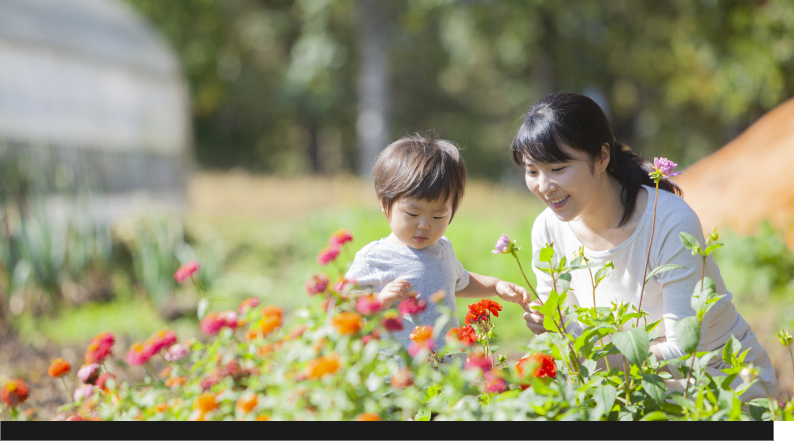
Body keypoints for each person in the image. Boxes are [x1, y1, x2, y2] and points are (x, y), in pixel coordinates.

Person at [513, 93, 776, 399]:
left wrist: (587, 358)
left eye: (558, 169)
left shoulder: (669, 220)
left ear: (602, 157)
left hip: (717, 386)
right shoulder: (547, 229)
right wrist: (550, 331)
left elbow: (684, 351)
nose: (543, 187)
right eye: (532, 171)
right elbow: (568, 336)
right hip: (626, 391)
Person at [345, 135, 531, 358]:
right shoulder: (373, 258)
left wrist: (497, 286)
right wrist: (378, 301)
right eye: (413, 214)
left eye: (439, 215)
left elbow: (459, 281)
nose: (425, 225)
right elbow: (343, 306)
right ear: (385, 205)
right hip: (398, 376)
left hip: (446, 370)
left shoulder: (443, 249)